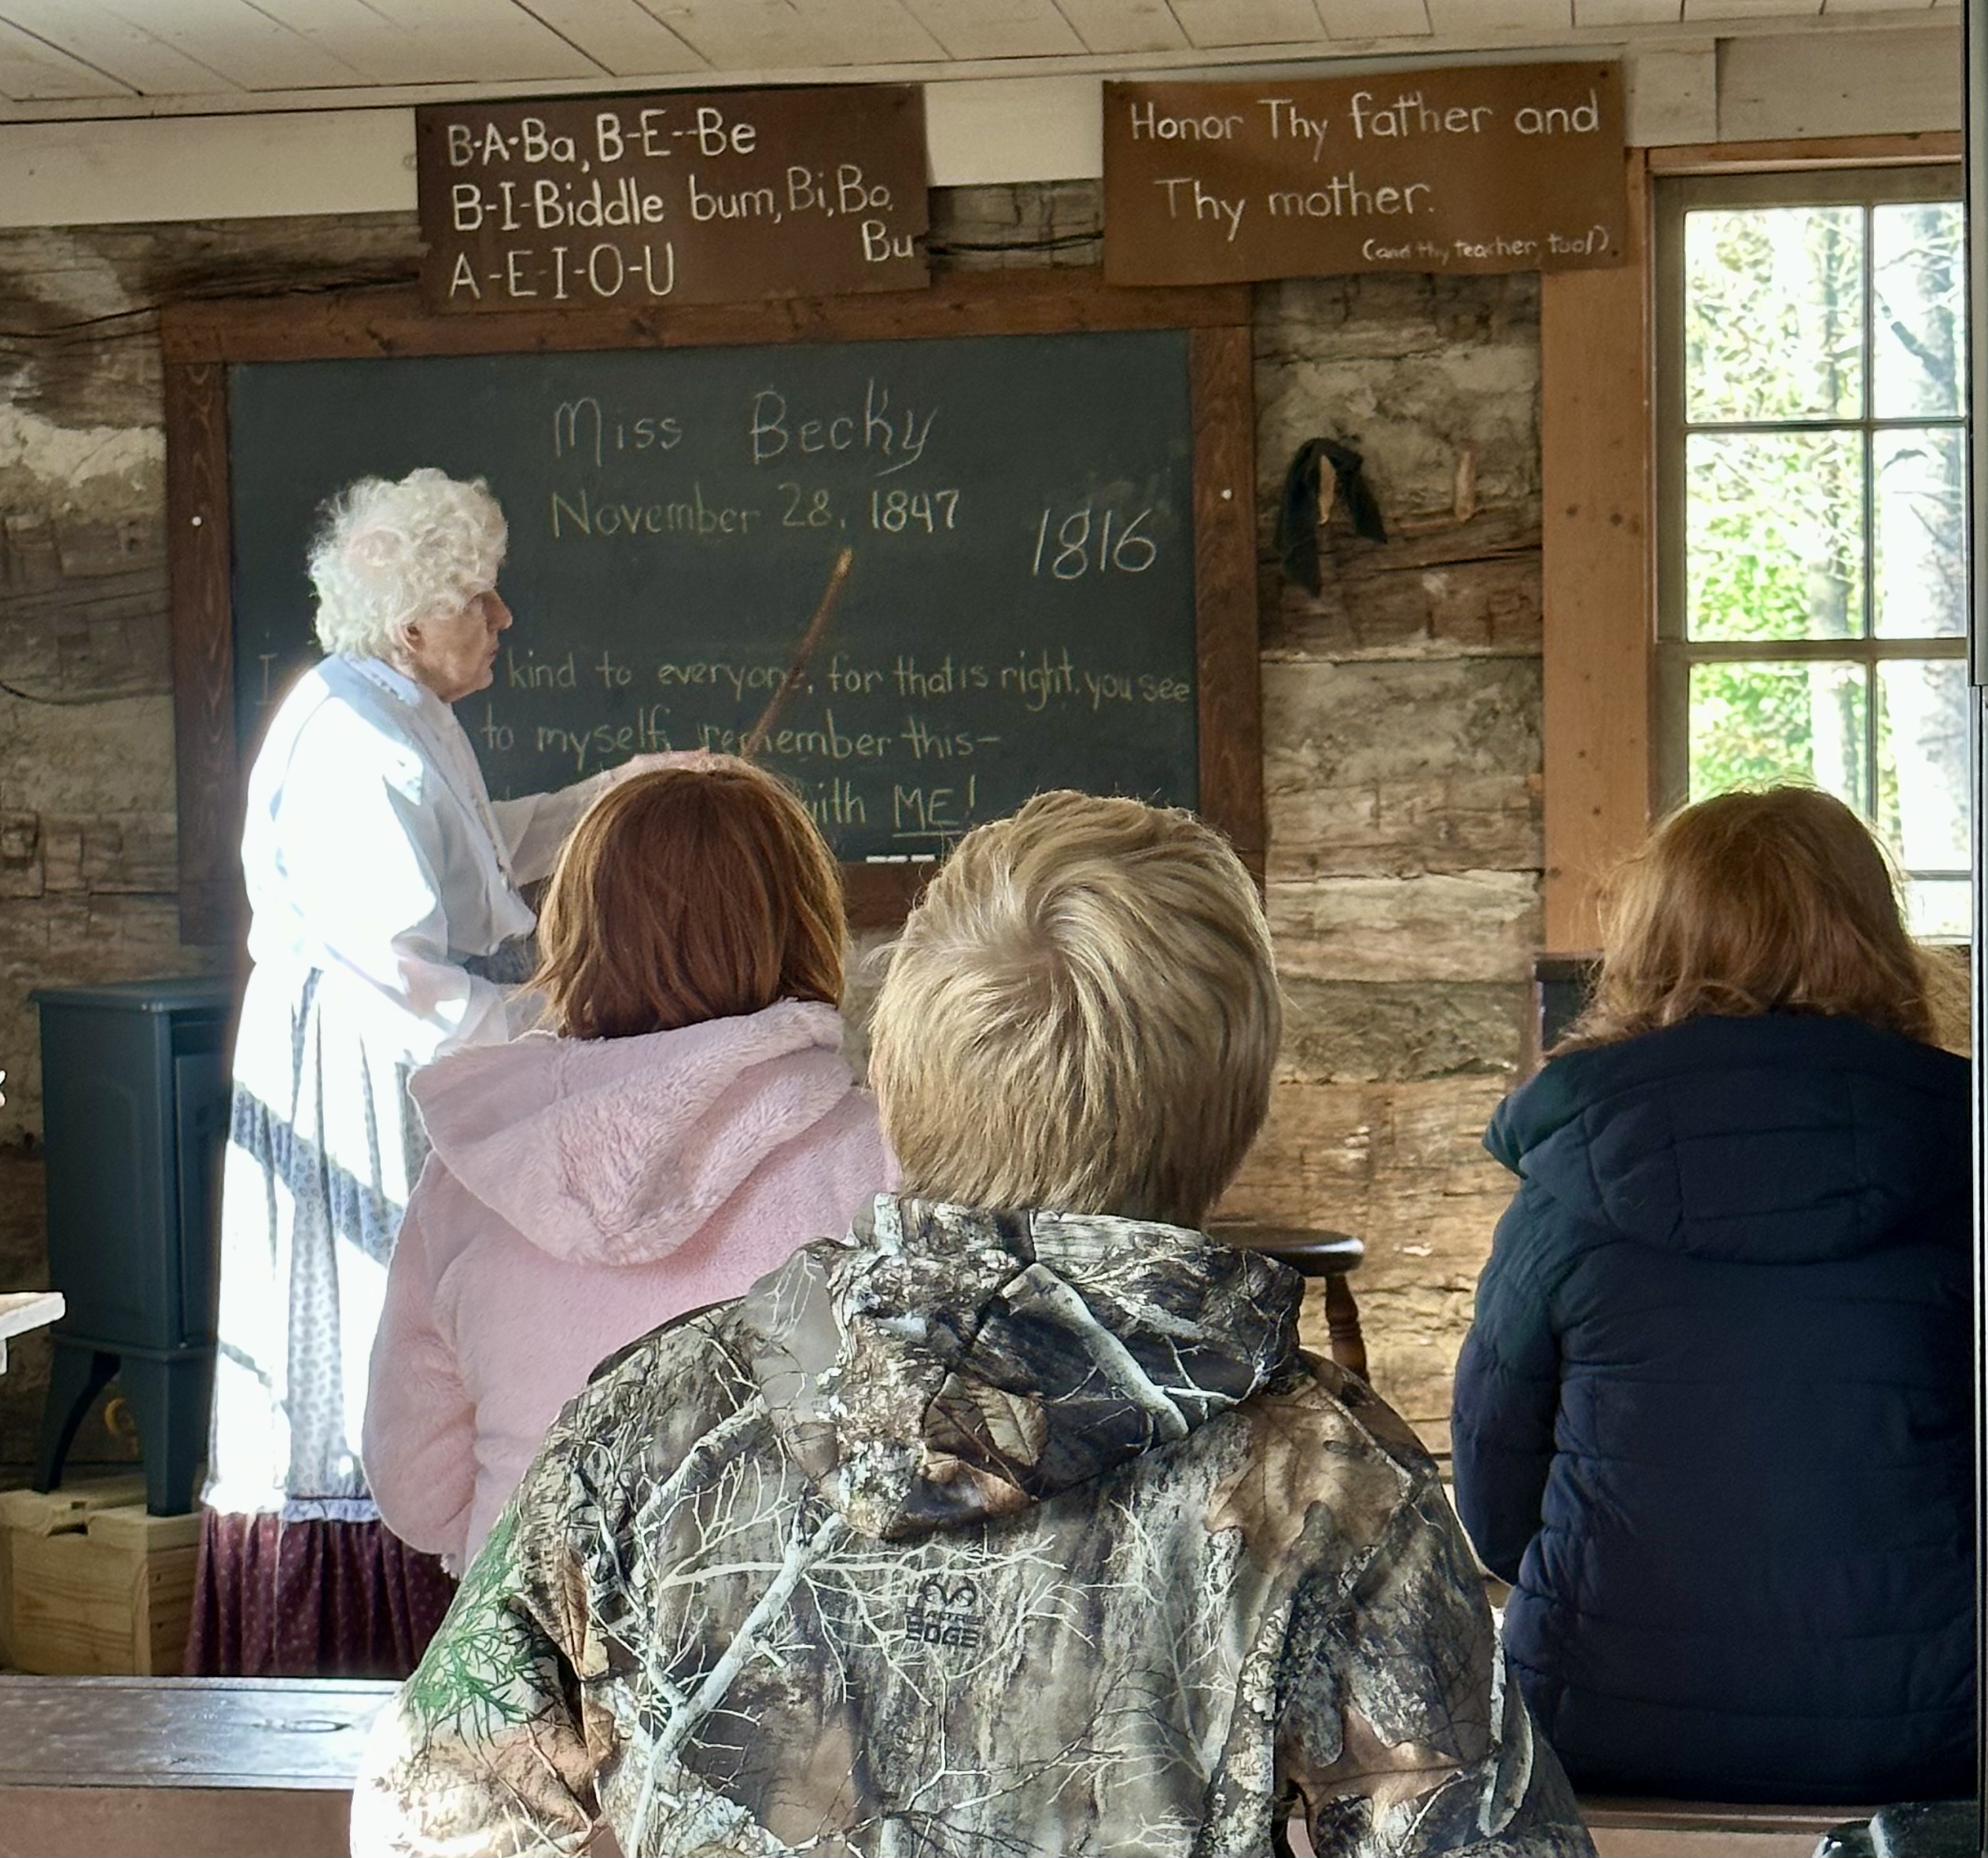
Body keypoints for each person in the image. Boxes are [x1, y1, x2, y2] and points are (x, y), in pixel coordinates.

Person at [354, 791, 1591, 1858]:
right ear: (1239, 1105)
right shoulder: (1324, 1484)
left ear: (897, 1073)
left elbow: (430, 1804)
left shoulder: (654, 1423)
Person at [193, 467, 684, 1678]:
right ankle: (362, 1652)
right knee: (376, 1318)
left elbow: (467, 849)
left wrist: (598, 801)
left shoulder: (400, 708)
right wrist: (532, 1019)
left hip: (402, 1041)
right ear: (410, 619)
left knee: (416, 1308)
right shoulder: (354, 731)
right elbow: (391, 961)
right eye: (480, 596)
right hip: (361, 1066)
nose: (503, 617)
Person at [1452, 786, 1973, 1803]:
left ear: (1648, 946)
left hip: (1603, 1716)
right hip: (1923, 1728)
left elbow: (1491, 1488)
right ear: (1876, 938)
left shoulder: (1569, 1187)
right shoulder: (1980, 1174)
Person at [362, 758, 893, 1573]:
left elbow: (418, 1492)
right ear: (807, 926)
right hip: (795, 1673)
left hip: (534, 1667)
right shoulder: (877, 1158)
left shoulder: (474, 1171)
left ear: (577, 934)